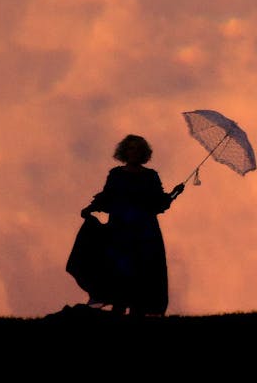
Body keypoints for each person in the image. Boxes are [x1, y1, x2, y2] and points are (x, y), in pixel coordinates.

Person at [78, 134, 185, 315]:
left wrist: (174, 193)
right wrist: (90, 208)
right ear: (124, 152)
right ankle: (118, 310)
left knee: (143, 272)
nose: (133, 152)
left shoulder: (151, 176)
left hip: (145, 232)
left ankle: (138, 313)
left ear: (143, 153)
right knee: (120, 270)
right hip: (120, 230)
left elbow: (158, 203)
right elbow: (107, 196)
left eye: (137, 149)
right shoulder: (116, 174)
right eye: (130, 148)